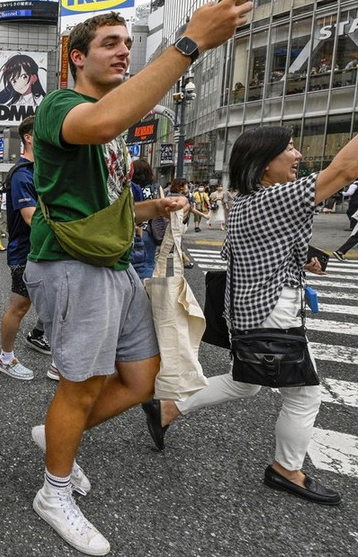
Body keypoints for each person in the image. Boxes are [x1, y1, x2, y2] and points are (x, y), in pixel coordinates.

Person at [26, 0, 254, 555]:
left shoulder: (113, 122)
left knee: (140, 377)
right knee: (80, 385)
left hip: (113, 262)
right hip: (73, 266)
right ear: (77, 57)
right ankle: (54, 490)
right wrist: (188, 42)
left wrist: (152, 206)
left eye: (128, 41)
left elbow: (100, 198)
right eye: (109, 42)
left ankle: (57, 437)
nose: (124, 49)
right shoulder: (62, 105)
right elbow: (98, 125)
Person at [143, 125, 358, 506]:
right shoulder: (274, 199)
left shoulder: (249, 201)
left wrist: (301, 255)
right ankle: (286, 469)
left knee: (246, 383)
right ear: (263, 167)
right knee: (305, 395)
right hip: (270, 314)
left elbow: (268, 246)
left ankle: (169, 407)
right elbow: (344, 169)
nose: (298, 156)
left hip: (252, 311)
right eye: (290, 149)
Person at [0, 115, 48, 381]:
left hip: (43, 250)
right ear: (29, 137)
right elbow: (31, 218)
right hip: (25, 252)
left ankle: (41, 340)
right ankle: (5, 357)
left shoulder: (42, 170)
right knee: (19, 305)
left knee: (52, 303)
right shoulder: (21, 174)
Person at [131, 159, 160, 280]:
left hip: (133, 229)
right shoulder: (156, 187)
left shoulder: (130, 186)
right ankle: (147, 291)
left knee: (131, 263)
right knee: (148, 262)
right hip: (150, 229)